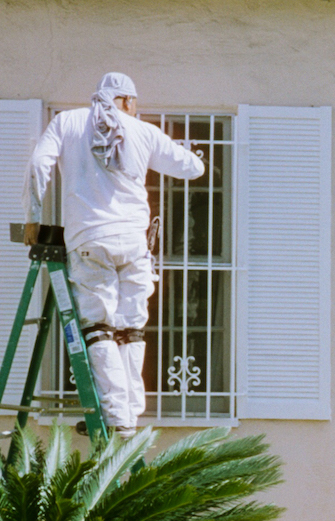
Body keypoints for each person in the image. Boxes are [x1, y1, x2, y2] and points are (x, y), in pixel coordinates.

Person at [22, 72, 204, 437]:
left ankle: (116, 416)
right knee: (131, 329)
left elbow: (39, 166)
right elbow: (192, 168)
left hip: (89, 238)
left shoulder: (68, 122)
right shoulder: (142, 130)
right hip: (134, 242)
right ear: (129, 101)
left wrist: (33, 219)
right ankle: (129, 415)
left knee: (100, 328)